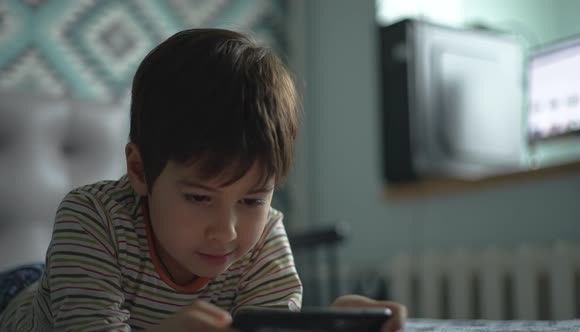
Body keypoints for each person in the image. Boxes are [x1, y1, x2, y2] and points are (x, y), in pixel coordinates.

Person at [0, 28, 406, 331]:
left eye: (251, 200)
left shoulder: (264, 237)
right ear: (140, 171)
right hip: (22, 295)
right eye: (198, 198)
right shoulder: (91, 217)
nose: (226, 233)